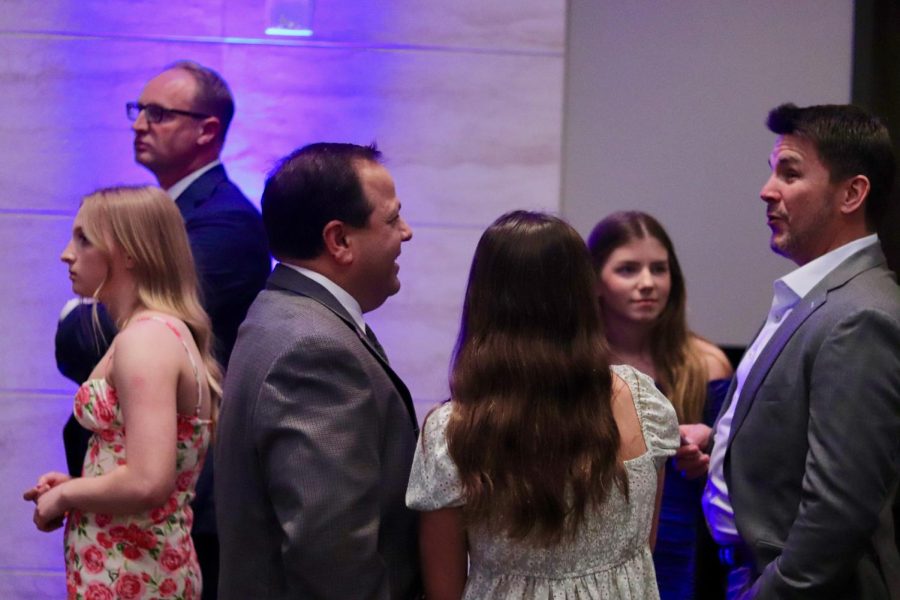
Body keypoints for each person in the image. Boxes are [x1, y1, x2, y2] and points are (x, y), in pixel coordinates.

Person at [56, 60, 271, 598]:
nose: (138, 124)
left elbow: (77, 338)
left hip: (162, 536)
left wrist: (66, 498)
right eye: (138, 110)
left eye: (158, 113)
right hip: (127, 540)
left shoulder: (228, 223)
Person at [406, 210, 681, 599]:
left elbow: (444, 589)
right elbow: (643, 547)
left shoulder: (452, 431)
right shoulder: (642, 403)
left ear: (484, 301)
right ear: (583, 295)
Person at [690, 103, 900, 599]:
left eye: (790, 173)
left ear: (852, 193)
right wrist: (722, 440)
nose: (768, 190)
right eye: (772, 172)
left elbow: (838, 513)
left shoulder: (860, 314)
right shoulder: (814, 295)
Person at [215, 142, 421, 599]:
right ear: (339, 240)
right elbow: (332, 556)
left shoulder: (284, 313)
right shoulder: (314, 347)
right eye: (391, 219)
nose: (405, 233)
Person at [24, 185, 221, 599]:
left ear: (130, 253)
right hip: (134, 567)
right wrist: (84, 485)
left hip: (134, 574)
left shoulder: (146, 340)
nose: (67, 253)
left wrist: (66, 495)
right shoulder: (151, 332)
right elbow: (139, 464)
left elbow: (150, 481)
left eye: (84, 239)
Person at [586, 211, 734, 600]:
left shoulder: (706, 363)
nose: (647, 283)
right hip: (593, 546)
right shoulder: (579, 366)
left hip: (689, 544)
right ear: (595, 282)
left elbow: (734, 469)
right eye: (628, 269)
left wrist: (707, 451)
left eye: (659, 269)